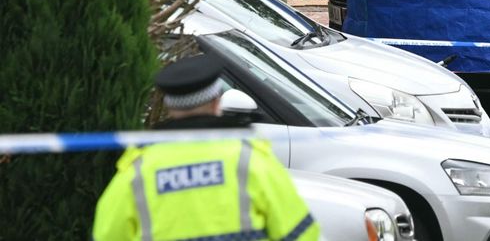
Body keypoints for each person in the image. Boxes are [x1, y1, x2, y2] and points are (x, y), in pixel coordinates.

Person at [93, 54, 320, 240]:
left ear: (170, 109)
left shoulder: (138, 171)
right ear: (216, 103)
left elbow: (106, 233)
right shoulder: (248, 159)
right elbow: (302, 233)